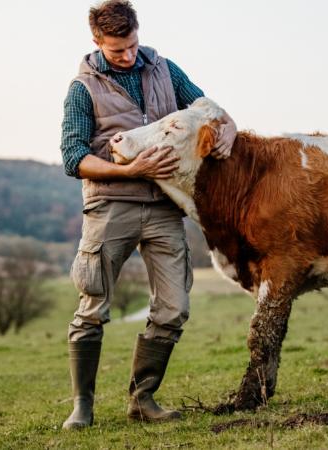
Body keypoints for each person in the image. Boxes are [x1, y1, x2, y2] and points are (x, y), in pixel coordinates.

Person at [60, 0, 237, 429]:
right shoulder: (82, 88)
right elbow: (73, 156)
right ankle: (82, 406)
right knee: (93, 306)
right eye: (117, 50)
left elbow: (205, 108)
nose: (128, 56)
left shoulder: (163, 69)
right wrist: (129, 168)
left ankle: (143, 398)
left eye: (133, 45)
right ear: (97, 43)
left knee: (174, 307)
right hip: (110, 205)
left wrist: (228, 126)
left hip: (163, 206)